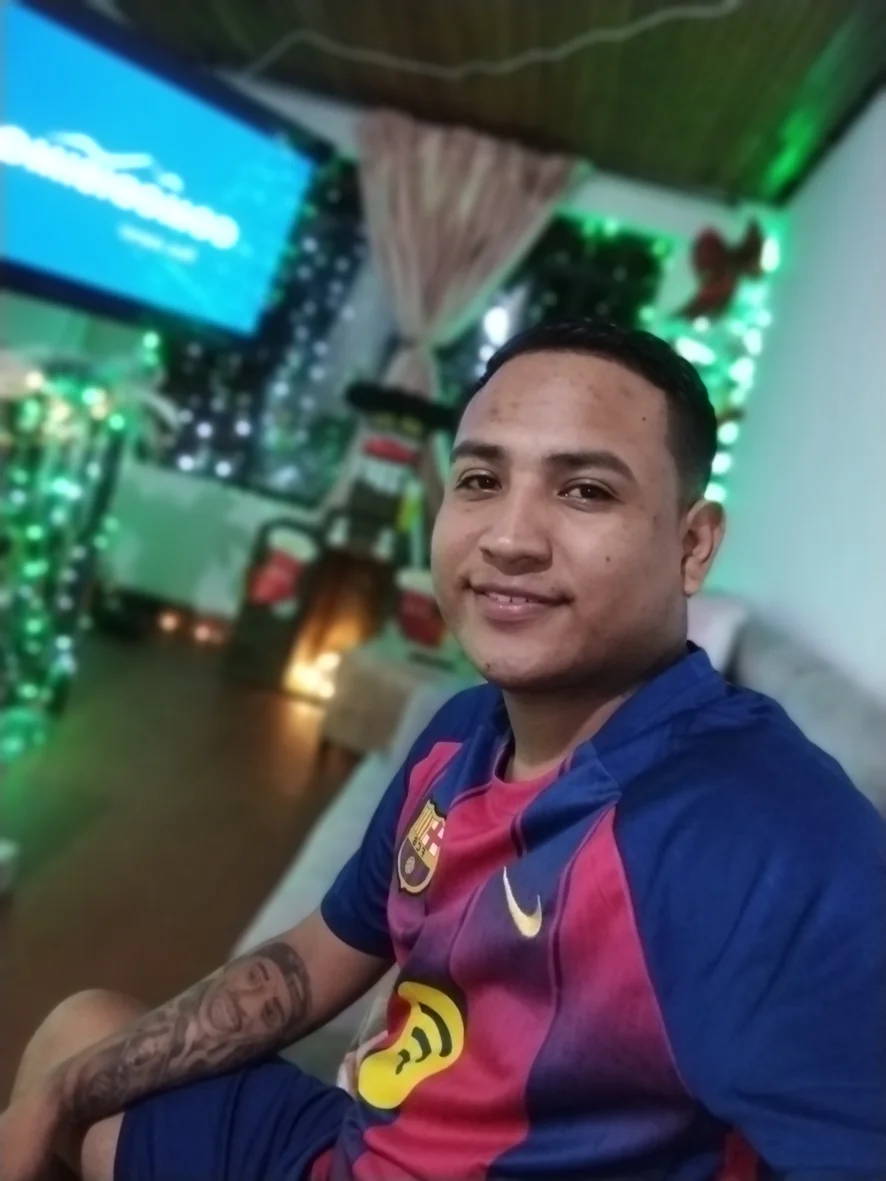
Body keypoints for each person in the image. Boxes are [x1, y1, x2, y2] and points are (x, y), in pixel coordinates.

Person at [2, 319, 884, 1181]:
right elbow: (315, 958)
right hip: (351, 1144)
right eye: (480, 479)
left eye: (585, 491)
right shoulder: (462, 731)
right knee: (78, 1035)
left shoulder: (763, 839)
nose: (509, 538)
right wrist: (57, 1096)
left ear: (692, 545)